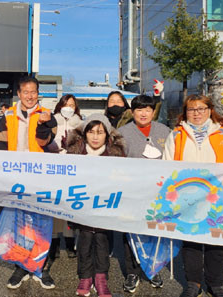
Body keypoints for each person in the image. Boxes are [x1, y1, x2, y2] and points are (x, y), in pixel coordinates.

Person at [163, 95, 223, 297]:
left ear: (210, 110)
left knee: (216, 242)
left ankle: (215, 283)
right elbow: (166, 164)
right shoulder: (176, 135)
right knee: (190, 241)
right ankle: (193, 283)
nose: (197, 113)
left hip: (218, 198)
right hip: (187, 198)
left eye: (201, 108)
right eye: (191, 109)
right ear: (185, 113)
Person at [0, 75, 58, 290]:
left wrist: (44, 124)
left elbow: (47, 143)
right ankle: (21, 266)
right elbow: (0, 143)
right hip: (14, 177)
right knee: (18, 221)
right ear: (19, 94)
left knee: (41, 221)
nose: (30, 96)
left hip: (40, 178)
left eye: (33, 92)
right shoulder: (8, 115)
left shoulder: (47, 115)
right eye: (25, 92)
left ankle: (40, 266)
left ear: (38, 93)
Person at [65, 113, 126, 297]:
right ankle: (85, 277)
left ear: (107, 135)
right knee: (84, 242)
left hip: (105, 208)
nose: (95, 137)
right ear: (84, 134)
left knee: (102, 242)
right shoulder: (75, 154)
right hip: (82, 207)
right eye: (91, 132)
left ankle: (101, 278)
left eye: (100, 132)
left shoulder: (116, 155)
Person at [117, 94, 171, 293]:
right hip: (132, 191)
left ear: (153, 112)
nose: (144, 113)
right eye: (139, 109)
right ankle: (132, 271)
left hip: (158, 192)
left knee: (155, 231)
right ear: (132, 112)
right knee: (131, 231)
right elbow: (116, 161)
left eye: (148, 109)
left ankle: (153, 268)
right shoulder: (122, 133)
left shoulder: (165, 131)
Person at [51, 94, 82, 259]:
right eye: (65, 104)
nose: (68, 108)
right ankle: (54, 242)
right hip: (55, 169)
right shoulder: (52, 121)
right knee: (55, 205)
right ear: (59, 106)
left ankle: (70, 242)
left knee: (69, 206)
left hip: (72, 170)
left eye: (71, 105)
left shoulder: (80, 124)